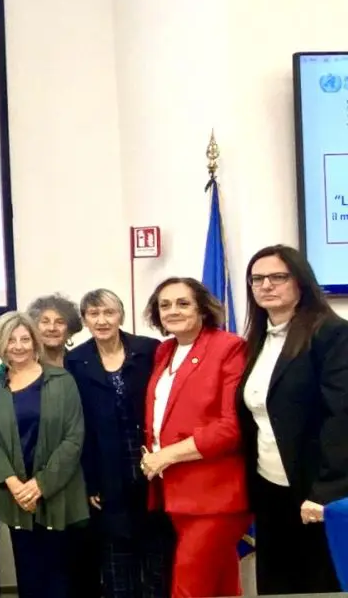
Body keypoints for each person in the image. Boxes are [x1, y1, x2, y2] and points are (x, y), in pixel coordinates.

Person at [236, 244, 348, 594]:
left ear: (300, 281)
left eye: (277, 277)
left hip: (315, 491)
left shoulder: (331, 333)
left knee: (319, 584)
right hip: (268, 486)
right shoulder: (258, 339)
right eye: (257, 279)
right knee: (276, 585)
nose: (266, 285)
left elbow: (342, 417)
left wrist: (325, 493)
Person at [140, 277, 249, 598]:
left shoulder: (228, 347)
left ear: (202, 308)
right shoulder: (165, 351)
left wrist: (166, 455)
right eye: (164, 305)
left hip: (215, 495)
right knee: (221, 585)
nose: (172, 310)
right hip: (177, 492)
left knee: (189, 588)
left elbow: (231, 427)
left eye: (183, 303)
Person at [65, 289, 167, 598]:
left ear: (121, 315)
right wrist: (89, 481)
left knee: (157, 560)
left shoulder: (149, 349)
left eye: (109, 312)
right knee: (116, 564)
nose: (102, 320)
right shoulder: (76, 360)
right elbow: (78, 426)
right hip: (107, 472)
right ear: (84, 320)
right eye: (94, 314)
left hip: (152, 469)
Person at [0, 311, 89, 598]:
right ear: (1, 344)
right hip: (16, 496)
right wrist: (14, 484)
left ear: (35, 342)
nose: (18, 346)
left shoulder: (62, 380)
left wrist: (40, 485)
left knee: (59, 580)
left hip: (58, 493)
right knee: (29, 577)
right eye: (11, 340)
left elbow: (74, 437)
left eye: (25, 339)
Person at [27, 294, 86, 367]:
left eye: (60, 322)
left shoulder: (80, 364)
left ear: (70, 328)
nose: (52, 328)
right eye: (45, 322)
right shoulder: (24, 364)